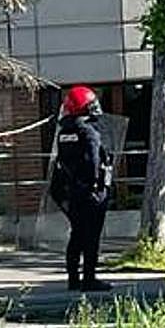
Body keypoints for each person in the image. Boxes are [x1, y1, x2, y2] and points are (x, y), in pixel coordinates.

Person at [50, 85, 113, 292]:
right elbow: (93, 163)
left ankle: (73, 278)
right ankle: (89, 278)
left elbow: (61, 163)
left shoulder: (64, 133)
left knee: (76, 236)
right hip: (90, 193)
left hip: (72, 194)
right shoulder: (89, 133)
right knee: (91, 237)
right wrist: (95, 189)